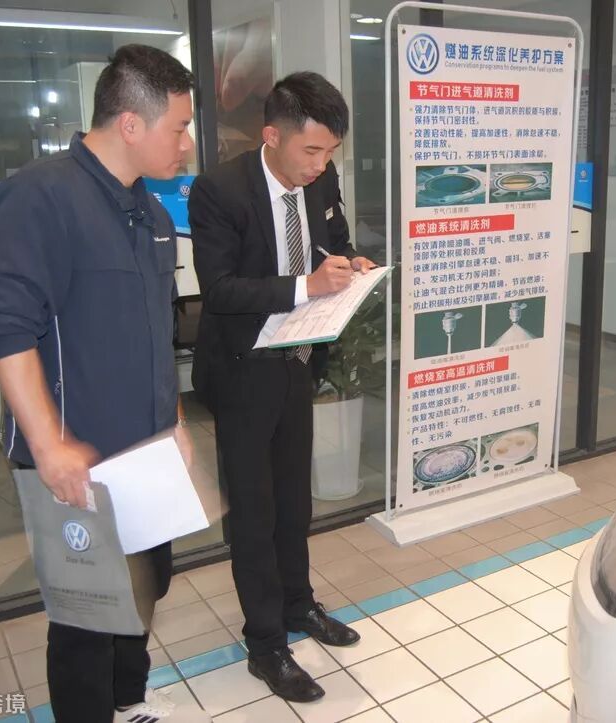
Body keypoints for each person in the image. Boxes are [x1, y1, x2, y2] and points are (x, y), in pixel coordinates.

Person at [0, 45, 208, 723]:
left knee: (144, 587)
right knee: (85, 617)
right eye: (179, 128)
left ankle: (129, 699)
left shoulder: (152, 216)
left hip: (144, 455)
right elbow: (6, 331)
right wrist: (49, 445)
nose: (187, 145)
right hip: (75, 462)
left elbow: (155, 336)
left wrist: (175, 422)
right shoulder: (39, 198)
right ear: (130, 124)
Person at [189, 71, 376, 703]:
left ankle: (299, 606)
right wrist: (305, 287)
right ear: (272, 136)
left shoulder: (320, 181)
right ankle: (265, 643)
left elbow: (334, 245)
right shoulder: (219, 191)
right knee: (254, 513)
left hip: (297, 361)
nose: (320, 166)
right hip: (242, 371)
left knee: (294, 503)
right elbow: (219, 289)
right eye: (311, 151)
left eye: (330, 153)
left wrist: (351, 265)